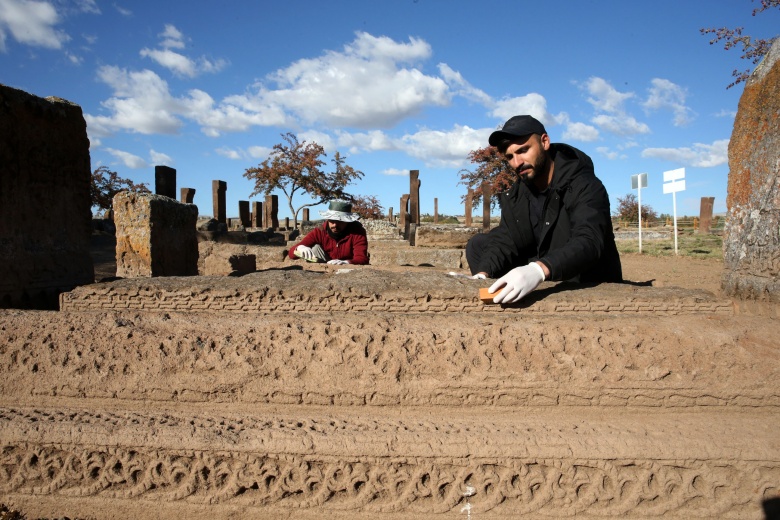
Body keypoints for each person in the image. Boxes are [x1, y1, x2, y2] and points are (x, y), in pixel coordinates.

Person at [465, 115, 622, 304]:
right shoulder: (518, 193)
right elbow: (507, 238)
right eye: (510, 157)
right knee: (479, 245)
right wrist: (483, 273)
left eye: (523, 150)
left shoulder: (584, 185)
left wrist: (539, 269)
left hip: (582, 274)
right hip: (544, 261)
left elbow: (589, 240)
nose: (517, 162)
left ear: (544, 142)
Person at [288, 199, 369, 265]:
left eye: (340, 221)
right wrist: (299, 248)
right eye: (332, 220)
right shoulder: (320, 231)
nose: (335, 225)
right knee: (315, 248)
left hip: (348, 269)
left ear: (347, 221)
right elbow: (291, 254)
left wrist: (346, 262)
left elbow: (361, 258)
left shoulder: (358, 232)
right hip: (324, 266)